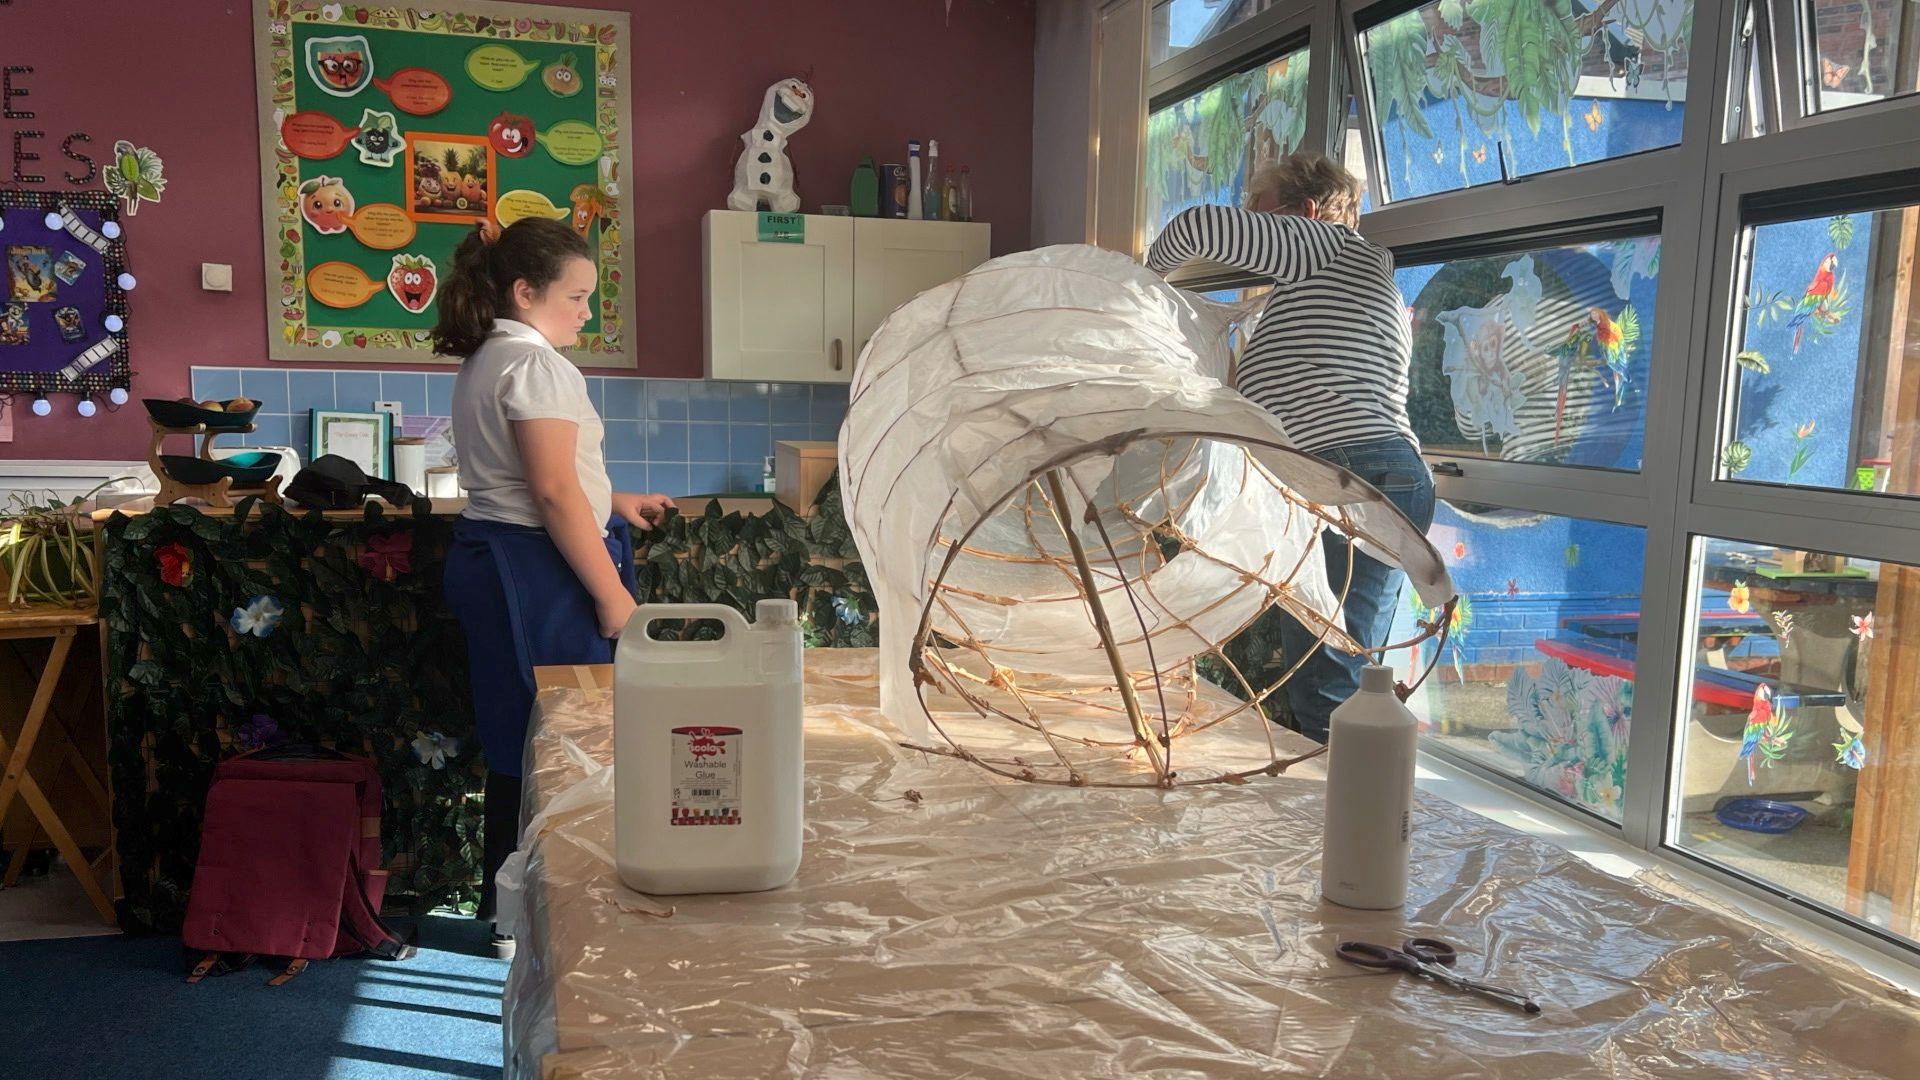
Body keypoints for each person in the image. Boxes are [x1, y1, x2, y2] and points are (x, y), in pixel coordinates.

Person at [432, 217, 675, 955]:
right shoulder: (536, 367)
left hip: (502, 558)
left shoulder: (489, 358)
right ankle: (544, 912)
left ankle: (508, 913)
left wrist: (615, 501)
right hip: (536, 570)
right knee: (565, 740)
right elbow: (551, 493)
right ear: (525, 291)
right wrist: (612, 594)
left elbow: (550, 482)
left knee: (522, 740)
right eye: (574, 297)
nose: (585, 313)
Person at [1145, 151, 1434, 743]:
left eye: (1261, 212)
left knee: (1328, 683)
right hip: (1372, 474)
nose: (1254, 224)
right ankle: (1358, 809)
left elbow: (1195, 228)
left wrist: (1142, 286)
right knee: (1353, 671)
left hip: (1344, 474)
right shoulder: (1343, 284)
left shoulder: (1330, 248)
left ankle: (1342, 820)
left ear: (1303, 214)